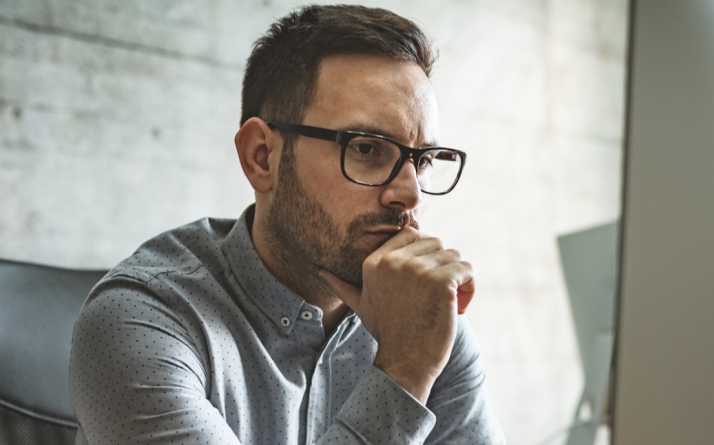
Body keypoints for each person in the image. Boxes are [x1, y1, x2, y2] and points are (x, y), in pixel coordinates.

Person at [68, 4, 505, 445]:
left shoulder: (424, 320)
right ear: (262, 157)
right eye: (367, 149)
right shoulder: (141, 320)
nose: (409, 194)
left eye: (423, 160)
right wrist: (403, 373)